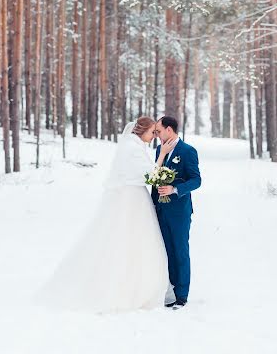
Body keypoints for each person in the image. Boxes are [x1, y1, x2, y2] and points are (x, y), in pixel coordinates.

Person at [36, 116, 176, 314]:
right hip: (131, 198)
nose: (154, 136)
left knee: (136, 242)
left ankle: (136, 283)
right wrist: (162, 155)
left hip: (135, 196)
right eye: (152, 132)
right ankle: (124, 288)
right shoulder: (133, 148)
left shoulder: (134, 145)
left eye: (156, 132)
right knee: (128, 240)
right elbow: (151, 175)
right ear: (141, 131)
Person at [152, 116, 201, 308]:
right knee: (166, 251)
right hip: (161, 210)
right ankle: (170, 291)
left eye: (159, 131)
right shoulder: (159, 150)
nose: (156, 135)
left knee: (180, 250)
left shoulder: (188, 151)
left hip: (179, 211)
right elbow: (155, 177)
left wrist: (174, 189)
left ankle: (182, 294)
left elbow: (196, 180)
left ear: (169, 130)